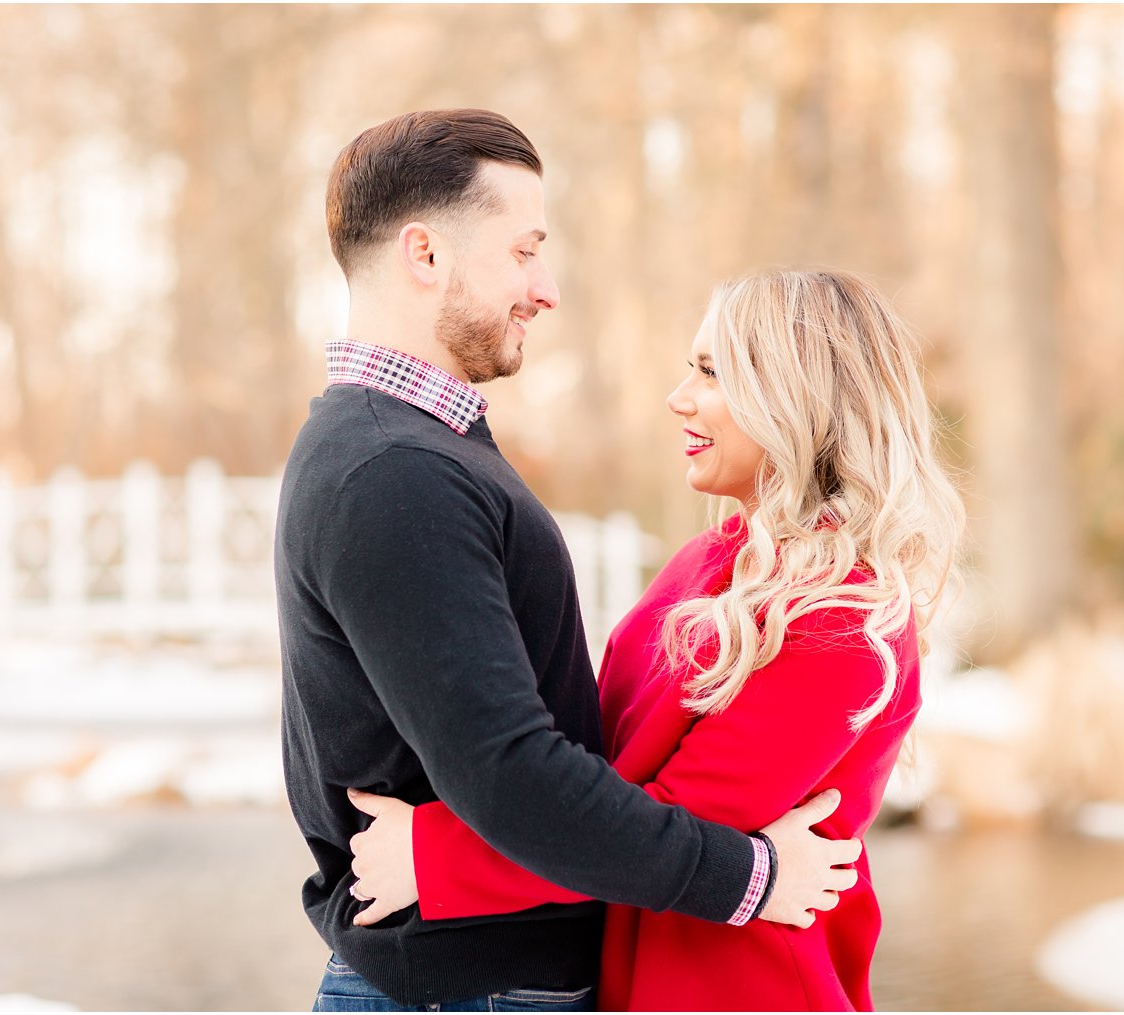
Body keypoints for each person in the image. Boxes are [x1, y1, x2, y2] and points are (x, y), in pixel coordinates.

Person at [275, 110, 860, 1013]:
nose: (546, 289)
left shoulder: (408, 450)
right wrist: (752, 877)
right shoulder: (395, 471)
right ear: (425, 256)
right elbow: (515, 776)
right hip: (467, 992)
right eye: (523, 251)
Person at [345, 268, 967, 1011]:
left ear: (795, 399)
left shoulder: (843, 619)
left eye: (711, 372)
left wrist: (437, 858)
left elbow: (676, 813)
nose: (680, 397)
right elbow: (604, 763)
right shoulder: (714, 560)